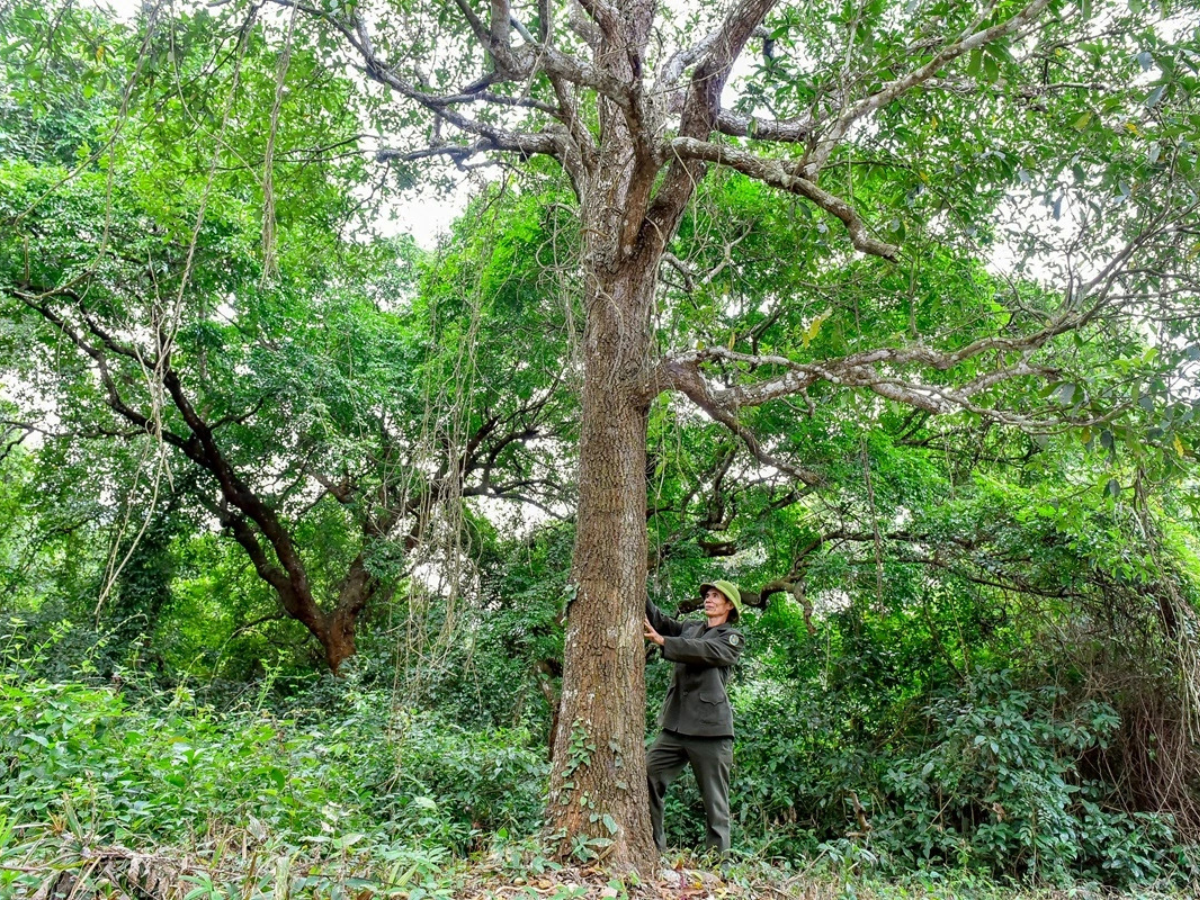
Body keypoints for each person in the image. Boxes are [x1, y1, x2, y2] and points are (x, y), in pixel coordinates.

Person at [643, 579, 744, 855]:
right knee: (646, 775)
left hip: (711, 732)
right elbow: (660, 621)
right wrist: (639, 588)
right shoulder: (690, 628)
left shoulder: (731, 638)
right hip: (675, 727)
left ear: (729, 606)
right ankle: (653, 850)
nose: (708, 599)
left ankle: (718, 863)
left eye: (716, 596)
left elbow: (703, 651)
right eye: (707, 595)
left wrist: (665, 642)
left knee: (715, 802)